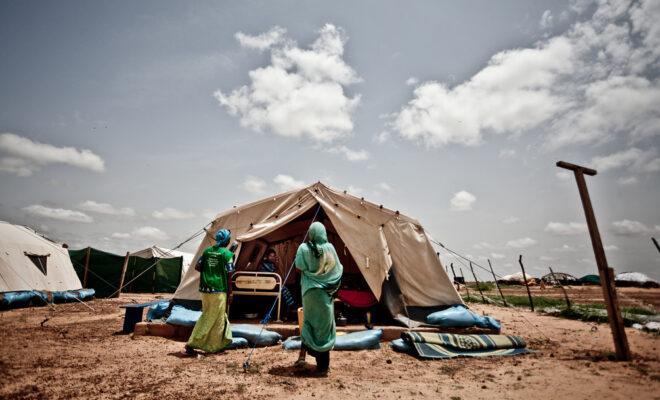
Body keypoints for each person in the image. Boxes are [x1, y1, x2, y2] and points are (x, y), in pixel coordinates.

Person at [293, 222, 343, 374]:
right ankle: (323, 367)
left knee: (310, 324)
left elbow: (298, 267)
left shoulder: (303, 248)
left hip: (309, 293)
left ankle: (304, 357)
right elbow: (338, 270)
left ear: (311, 233)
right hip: (325, 294)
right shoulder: (330, 248)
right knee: (324, 328)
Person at [184, 229, 234, 356]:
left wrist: (209, 272)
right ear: (227, 240)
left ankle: (216, 346)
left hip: (205, 289)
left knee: (217, 317)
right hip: (219, 290)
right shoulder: (227, 254)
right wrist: (230, 292)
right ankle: (192, 343)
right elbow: (229, 274)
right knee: (210, 318)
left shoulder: (207, 251)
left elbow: (198, 266)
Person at [259, 248, 297, 318]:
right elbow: (273, 275)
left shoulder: (272, 264)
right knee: (284, 289)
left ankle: (291, 307)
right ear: (267, 256)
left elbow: (275, 275)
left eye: (274, 256)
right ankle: (292, 307)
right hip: (267, 284)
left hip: (270, 283)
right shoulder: (265, 264)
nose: (272, 257)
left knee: (285, 289)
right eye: (271, 256)